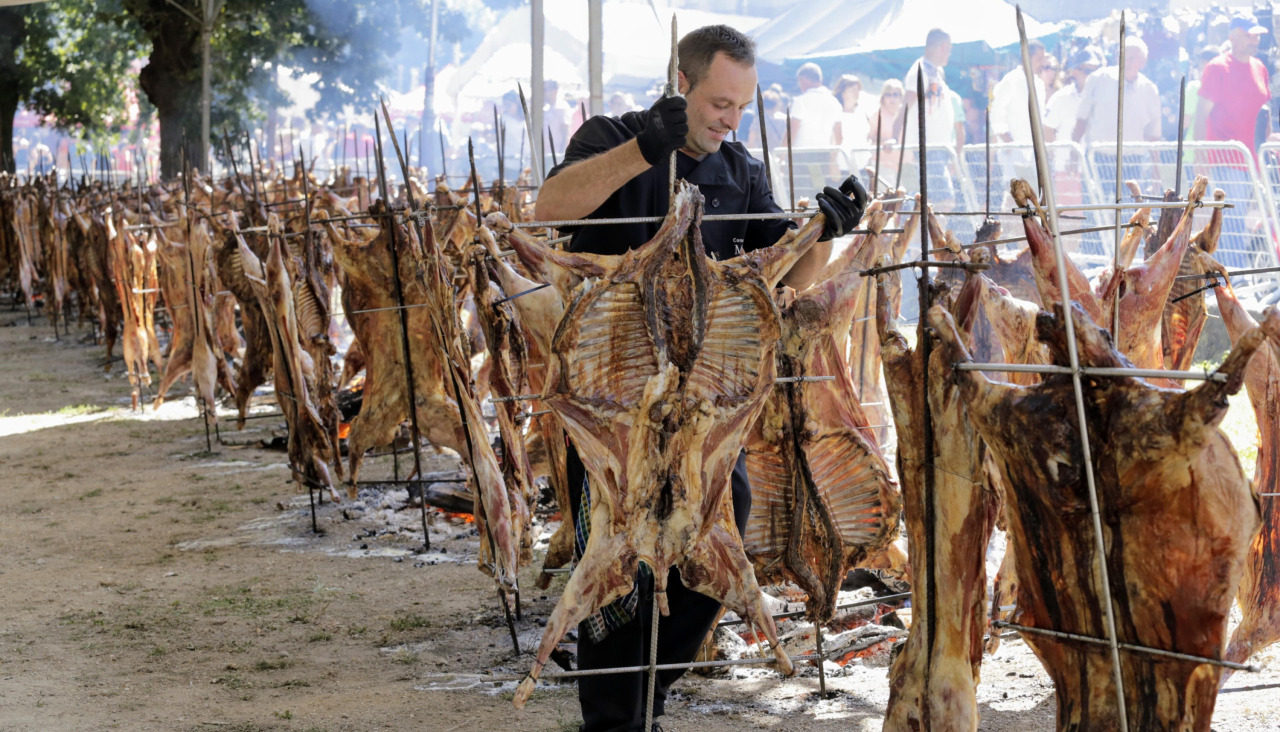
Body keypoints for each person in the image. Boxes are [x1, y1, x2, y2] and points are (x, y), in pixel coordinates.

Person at [535, 24, 867, 732]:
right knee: (616, 563)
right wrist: (643, 151)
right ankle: (612, 716)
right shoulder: (611, 136)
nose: (729, 118)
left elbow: (782, 279)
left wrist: (824, 232)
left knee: (718, 539)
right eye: (719, 102)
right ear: (681, 83)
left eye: (741, 106)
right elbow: (548, 211)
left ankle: (647, 696)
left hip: (700, 413)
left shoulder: (738, 170)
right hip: (611, 405)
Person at [1195, 13, 1271, 156]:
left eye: (1257, 36)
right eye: (1248, 36)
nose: (1254, 41)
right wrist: (1200, 157)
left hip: (1255, 162)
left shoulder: (1260, 68)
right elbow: (1201, 117)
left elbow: (1265, 113)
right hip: (1224, 163)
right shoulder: (1217, 68)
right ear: (1232, 37)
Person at [1072, 36, 1162, 144]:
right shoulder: (1098, 79)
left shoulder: (1149, 89)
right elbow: (1081, 119)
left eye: (1131, 58)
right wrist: (1074, 154)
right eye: (1123, 57)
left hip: (1134, 158)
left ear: (1143, 61)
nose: (1126, 62)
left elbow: (1153, 132)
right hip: (1100, 156)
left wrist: (1156, 160)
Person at [989, 39, 1047, 146]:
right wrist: (1010, 144)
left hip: (1035, 151)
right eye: (1039, 59)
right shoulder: (1010, 81)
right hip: (1013, 151)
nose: (1042, 63)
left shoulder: (1039, 84)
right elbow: (996, 116)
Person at [1044, 46, 1103, 142]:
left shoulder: (1106, 96)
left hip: (1095, 156)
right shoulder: (1060, 98)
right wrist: (1053, 154)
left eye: (1096, 71)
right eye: (1088, 71)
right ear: (1075, 72)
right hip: (1067, 156)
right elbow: (1047, 130)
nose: (1094, 76)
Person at [789, 62, 843, 147]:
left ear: (803, 79)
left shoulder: (800, 101)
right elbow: (839, 138)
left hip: (801, 154)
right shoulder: (834, 102)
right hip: (824, 154)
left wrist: (780, 157)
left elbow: (791, 134)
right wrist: (833, 156)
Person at [832, 74, 871, 167]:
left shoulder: (863, 113)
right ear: (842, 92)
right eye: (852, 90)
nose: (856, 93)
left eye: (857, 90)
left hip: (863, 165)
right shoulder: (835, 113)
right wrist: (833, 164)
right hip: (843, 165)